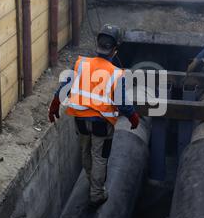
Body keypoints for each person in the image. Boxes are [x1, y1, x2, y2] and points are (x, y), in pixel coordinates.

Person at [48, 24, 140, 207]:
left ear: (97, 45)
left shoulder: (82, 64)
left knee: (85, 152)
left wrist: (54, 105)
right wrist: (133, 117)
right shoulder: (116, 73)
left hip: (81, 121)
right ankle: (96, 194)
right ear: (114, 50)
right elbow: (122, 103)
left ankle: (92, 184)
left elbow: (64, 88)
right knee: (99, 157)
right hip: (102, 124)